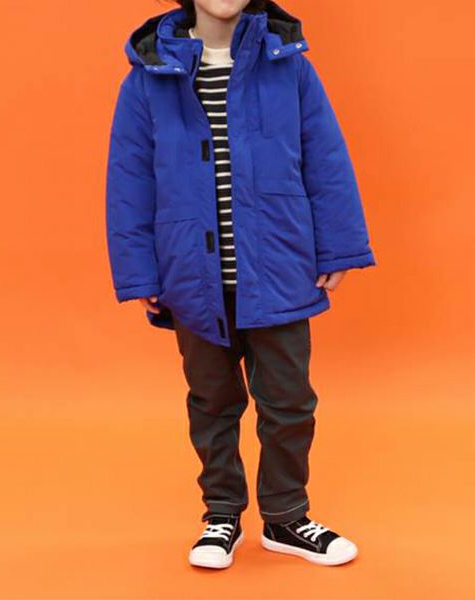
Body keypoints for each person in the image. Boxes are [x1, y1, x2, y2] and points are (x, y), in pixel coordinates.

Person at [106, 0, 377, 570]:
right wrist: (140, 271)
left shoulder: (290, 65)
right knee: (211, 402)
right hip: (190, 276)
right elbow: (130, 179)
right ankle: (222, 515)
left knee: (289, 401)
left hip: (278, 267)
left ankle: (285, 516)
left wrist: (339, 246)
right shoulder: (148, 77)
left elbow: (326, 159)